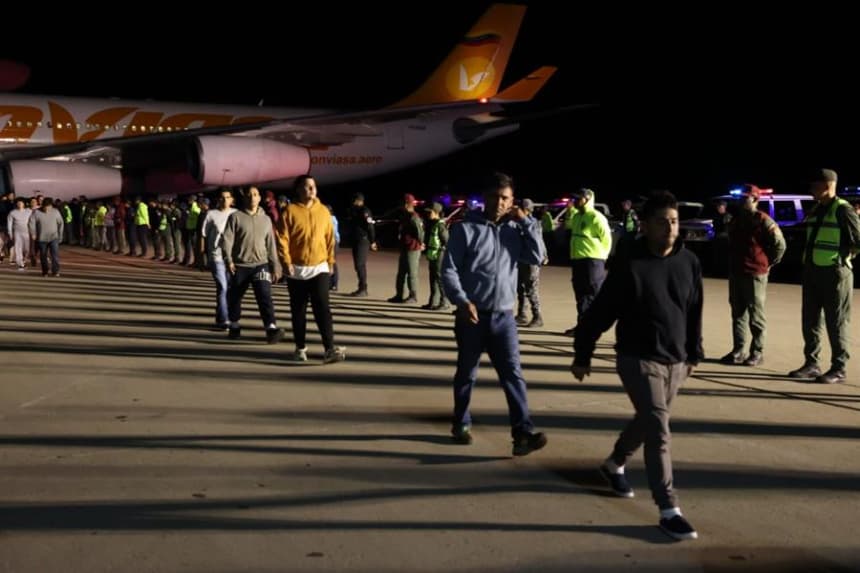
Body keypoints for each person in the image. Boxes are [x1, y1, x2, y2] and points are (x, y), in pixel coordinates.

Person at [571, 190, 703, 541]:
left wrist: (693, 354)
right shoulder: (630, 266)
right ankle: (668, 508)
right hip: (637, 358)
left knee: (648, 421)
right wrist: (582, 353)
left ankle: (614, 463)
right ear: (644, 226)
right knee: (659, 429)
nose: (670, 228)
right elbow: (600, 313)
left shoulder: (689, 262)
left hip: (676, 360)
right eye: (662, 222)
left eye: (674, 221)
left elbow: (694, 310)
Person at [441, 172, 548, 456]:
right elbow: (449, 270)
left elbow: (538, 256)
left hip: (504, 318)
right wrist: (462, 302)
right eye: (494, 197)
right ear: (484, 198)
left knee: (513, 375)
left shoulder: (515, 231)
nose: (499, 203)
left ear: (513, 201)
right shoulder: (465, 230)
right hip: (472, 317)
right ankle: (461, 422)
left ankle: (522, 433)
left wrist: (526, 221)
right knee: (467, 372)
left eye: (505, 198)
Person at [788, 168, 860, 384]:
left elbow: (858, 240)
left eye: (814, 186)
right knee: (810, 320)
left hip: (835, 273)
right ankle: (812, 364)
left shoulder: (843, 210)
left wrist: (841, 259)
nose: (811, 190)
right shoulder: (817, 209)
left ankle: (839, 368)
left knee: (836, 321)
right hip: (812, 271)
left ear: (827, 186)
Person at [277, 175, 346, 363]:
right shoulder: (289, 211)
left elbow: (330, 239)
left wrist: (331, 261)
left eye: (313, 186)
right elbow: (282, 239)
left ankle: (329, 348)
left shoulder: (323, 211)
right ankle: (300, 347)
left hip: (320, 267)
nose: (311, 189)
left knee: (323, 307)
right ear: (298, 189)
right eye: (307, 186)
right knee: (298, 310)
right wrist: (286, 262)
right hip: (297, 269)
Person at [719, 184, 786, 366]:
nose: (741, 202)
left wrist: (768, 263)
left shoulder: (763, 220)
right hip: (737, 272)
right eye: (740, 199)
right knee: (738, 313)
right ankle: (738, 351)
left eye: (745, 198)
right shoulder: (736, 220)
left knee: (756, 315)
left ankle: (757, 352)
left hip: (755, 273)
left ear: (755, 199)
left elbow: (780, 245)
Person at [221, 186, 285, 344]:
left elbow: (271, 244)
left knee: (265, 296)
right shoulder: (235, 217)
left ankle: (271, 328)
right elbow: (227, 240)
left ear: (259, 198)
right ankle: (234, 325)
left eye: (255, 195)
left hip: (260, 265)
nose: (252, 197)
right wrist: (228, 260)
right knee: (234, 298)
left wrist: (275, 265)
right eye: (249, 195)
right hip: (240, 265)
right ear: (244, 198)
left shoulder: (266, 219)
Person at [564, 187, 612, 335]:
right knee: (581, 295)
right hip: (578, 260)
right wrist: (569, 211)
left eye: (578, 199)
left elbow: (607, 240)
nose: (575, 201)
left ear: (587, 199)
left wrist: (600, 258)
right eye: (575, 199)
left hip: (592, 261)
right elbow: (568, 226)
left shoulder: (596, 217)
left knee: (592, 295)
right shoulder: (577, 216)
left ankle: (592, 326)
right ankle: (583, 325)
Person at [201, 188, 237, 330]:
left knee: (229, 288)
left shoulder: (236, 214)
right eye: (222, 197)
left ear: (232, 200)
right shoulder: (211, 214)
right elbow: (203, 235)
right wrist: (201, 256)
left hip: (232, 258)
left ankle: (221, 315)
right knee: (222, 287)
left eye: (227, 197)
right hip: (216, 256)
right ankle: (224, 320)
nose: (224, 200)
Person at [388, 193, 424, 303]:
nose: (400, 206)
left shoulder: (414, 217)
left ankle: (413, 296)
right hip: (405, 247)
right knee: (401, 273)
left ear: (407, 204)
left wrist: (421, 243)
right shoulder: (404, 216)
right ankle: (399, 295)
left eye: (403, 203)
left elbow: (420, 232)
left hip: (412, 248)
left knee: (412, 274)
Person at [515, 198, 543, 327]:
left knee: (531, 289)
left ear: (526, 210)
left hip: (531, 261)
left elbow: (538, 240)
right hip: (520, 259)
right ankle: (522, 314)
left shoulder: (532, 223)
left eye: (520, 208)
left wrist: (544, 255)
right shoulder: (518, 222)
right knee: (520, 289)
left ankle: (537, 316)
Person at [346, 192, 378, 297]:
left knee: (360, 265)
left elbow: (370, 226)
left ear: (360, 201)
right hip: (356, 240)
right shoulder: (355, 211)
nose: (353, 202)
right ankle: (361, 287)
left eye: (355, 200)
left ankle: (363, 289)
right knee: (358, 265)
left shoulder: (365, 211)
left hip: (362, 241)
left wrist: (373, 241)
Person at [422, 201, 450, 310]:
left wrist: (441, 251)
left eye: (430, 212)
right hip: (432, 255)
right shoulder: (431, 223)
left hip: (439, 255)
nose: (428, 214)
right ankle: (433, 302)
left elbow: (447, 241)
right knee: (432, 278)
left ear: (436, 212)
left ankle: (444, 302)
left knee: (439, 278)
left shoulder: (440, 225)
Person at [28, 197, 64, 277]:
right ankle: (45, 271)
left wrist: (60, 235)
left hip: (53, 237)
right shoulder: (36, 212)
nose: (47, 209)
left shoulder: (55, 212)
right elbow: (31, 223)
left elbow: (61, 223)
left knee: (55, 255)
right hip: (42, 238)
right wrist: (33, 233)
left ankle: (55, 271)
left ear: (51, 206)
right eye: (45, 207)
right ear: (42, 206)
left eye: (48, 207)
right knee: (43, 256)